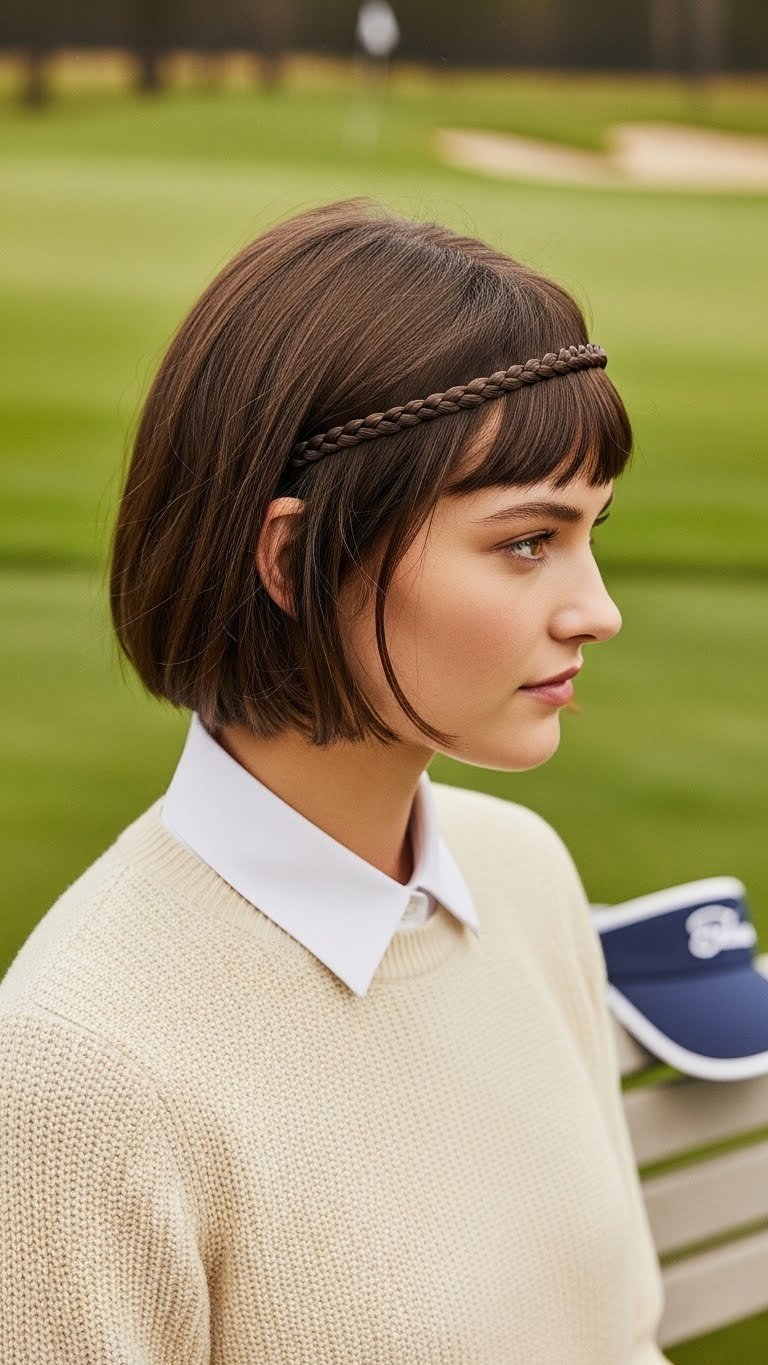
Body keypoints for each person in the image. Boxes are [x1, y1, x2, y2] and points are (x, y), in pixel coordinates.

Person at [0, 197, 672, 1363]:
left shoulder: (523, 875)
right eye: (527, 541)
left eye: (590, 533)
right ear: (293, 556)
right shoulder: (82, 1069)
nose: (597, 610)